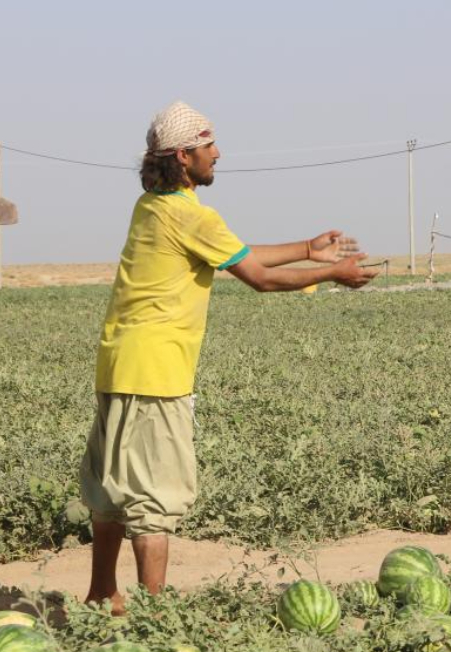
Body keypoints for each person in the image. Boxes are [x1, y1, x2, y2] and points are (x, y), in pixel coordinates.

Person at [80, 101, 378, 613]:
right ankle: (155, 616)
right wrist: (333, 273)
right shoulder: (190, 215)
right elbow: (258, 278)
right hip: (158, 372)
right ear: (183, 156)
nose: (217, 154)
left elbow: (232, 251)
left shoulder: (152, 205)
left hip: (119, 364)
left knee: (110, 492)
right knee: (153, 497)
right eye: (207, 146)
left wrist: (308, 248)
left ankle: (100, 593)